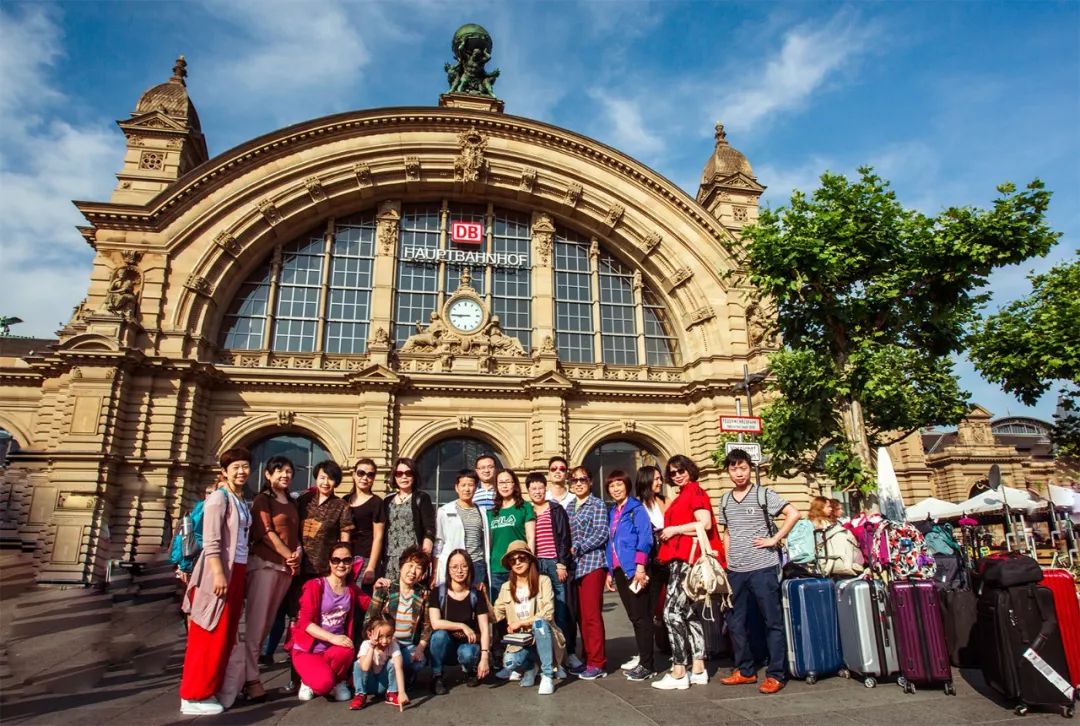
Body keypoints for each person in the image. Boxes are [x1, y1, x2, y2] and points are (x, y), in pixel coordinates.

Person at [717, 448, 801, 695]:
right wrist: (728, 559)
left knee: (771, 621)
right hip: (736, 570)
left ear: (750, 468)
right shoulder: (724, 499)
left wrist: (774, 538)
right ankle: (745, 670)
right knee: (736, 622)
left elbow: (793, 513)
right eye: (734, 468)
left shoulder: (764, 494)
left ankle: (776, 674)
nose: (739, 473)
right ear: (728, 471)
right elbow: (728, 531)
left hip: (763, 567)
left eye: (743, 468)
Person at [220, 455, 300, 708]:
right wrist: (289, 555)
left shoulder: (292, 502)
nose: (284, 475)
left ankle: (246, 676)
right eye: (279, 471)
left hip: (285, 569)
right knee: (256, 626)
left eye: (288, 471)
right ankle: (252, 679)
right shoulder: (262, 500)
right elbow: (266, 533)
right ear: (267, 475)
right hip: (265, 565)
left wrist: (297, 552)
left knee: (265, 626)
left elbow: (294, 533)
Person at [178, 447, 253, 716]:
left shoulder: (240, 499)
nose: (241, 471)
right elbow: (211, 541)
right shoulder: (218, 499)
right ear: (224, 471)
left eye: (245, 466)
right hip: (218, 574)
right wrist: (219, 572)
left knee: (224, 634)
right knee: (208, 632)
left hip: (237, 571)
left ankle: (210, 688)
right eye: (236, 467)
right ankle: (192, 694)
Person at [653, 454, 724, 691]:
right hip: (681, 559)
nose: (677, 475)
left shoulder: (694, 491)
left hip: (687, 560)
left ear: (690, 470)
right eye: (672, 473)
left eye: (681, 470)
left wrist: (673, 530)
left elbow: (704, 524)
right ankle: (699, 667)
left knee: (671, 612)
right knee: (689, 613)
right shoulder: (683, 494)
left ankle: (679, 669)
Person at [291, 542, 367, 703]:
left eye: (346, 560)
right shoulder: (315, 586)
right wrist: (332, 638)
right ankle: (309, 681)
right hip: (309, 649)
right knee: (323, 685)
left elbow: (371, 604)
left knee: (346, 649)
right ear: (329, 562)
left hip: (334, 650)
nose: (341, 564)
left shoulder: (351, 588)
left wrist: (383, 587)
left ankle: (337, 681)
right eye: (336, 560)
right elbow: (305, 623)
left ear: (352, 562)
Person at [603, 470, 656, 681]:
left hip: (635, 570)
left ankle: (648, 664)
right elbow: (610, 544)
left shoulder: (636, 509)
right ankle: (644, 660)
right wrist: (609, 572)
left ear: (627, 486)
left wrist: (641, 567)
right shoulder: (613, 512)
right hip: (619, 570)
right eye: (612, 485)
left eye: (619, 484)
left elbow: (645, 538)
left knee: (642, 617)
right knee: (634, 617)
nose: (616, 489)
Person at [492, 540, 563, 695]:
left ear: (529, 559)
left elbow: (548, 613)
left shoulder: (543, 581)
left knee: (539, 624)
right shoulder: (506, 587)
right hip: (521, 641)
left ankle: (547, 675)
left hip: (543, 637)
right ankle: (530, 668)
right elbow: (495, 615)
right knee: (509, 663)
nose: (517, 563)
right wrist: (482, 598)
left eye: (521, 558)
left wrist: (521, 623)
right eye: (513, 560)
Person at [525, 471, 576, 663]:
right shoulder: (528, 510)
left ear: (545, 488)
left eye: (540, 488)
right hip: (536, 565)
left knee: (561, 608)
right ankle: (543, 655)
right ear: (528, 491)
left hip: (555, 563)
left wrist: (562, 563)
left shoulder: (555, 509)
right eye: (533, 489)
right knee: (539, 609)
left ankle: (566, 653)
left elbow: (564, 537)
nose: (537, 491)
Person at [427, 549, 492, 694]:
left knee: (467, 652)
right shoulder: (438, 592)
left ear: (470, 568)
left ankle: (470, 670)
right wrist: (462, 626)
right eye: (454, 566)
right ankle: (437, 675)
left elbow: (485, 629)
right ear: (448, 569)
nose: (459, 570)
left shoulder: (476, 593)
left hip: (466, 646)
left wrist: (485, 657)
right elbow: (435, 623)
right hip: (447, 646)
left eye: (464, 566)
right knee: (438, 636)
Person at [365, 546, 432, 687]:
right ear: (401, 566)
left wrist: (420, 648)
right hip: (384, 643)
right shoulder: (385, 589)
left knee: (418, 662)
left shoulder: (423, 593)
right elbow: (369, 619)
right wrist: (376, 642)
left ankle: (405, 675)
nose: (413, 571)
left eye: (419, 568)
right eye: (410, 565)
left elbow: (427, 626)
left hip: (407, 645)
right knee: (379, 687)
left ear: (423, 574)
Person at [566, 465, 608, 680]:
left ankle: (597, 662)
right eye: (574, 480)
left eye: (583, 479)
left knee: (592, 615)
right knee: (581, 616)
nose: (579, 483)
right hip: (575, 567)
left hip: (592, 564)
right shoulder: (569, 507)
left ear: (590, 482)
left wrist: (579, 546)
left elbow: (602, 533)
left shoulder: (597, 504)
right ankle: (588, 656)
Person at [378, 457, 435, 584]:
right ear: (394, 477)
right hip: (390, 560)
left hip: (412, 560)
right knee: (390, 598)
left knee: (412, 598)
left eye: (408, 473)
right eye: (399, 474)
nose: (404, 477)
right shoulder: (387, 500)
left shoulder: (422, 498)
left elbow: (429, 530)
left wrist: (423, 561)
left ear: (414, 476)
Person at [435, 470, 491, 589]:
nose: (467, 489)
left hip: (477, 564)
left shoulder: (482, 511)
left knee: (477, 602)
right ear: (456, 487)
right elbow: (439, 543)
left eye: (470, 485)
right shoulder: (445, 511)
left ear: (476, 487)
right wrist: (435, 570)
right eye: (463, 485)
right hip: (455, 565)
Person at [636, 465, 670, 657]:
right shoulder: (636, 504)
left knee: (671, 602)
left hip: (668, 558)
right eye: (656, 478)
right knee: (652, 605)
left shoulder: (666, 501)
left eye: (660, 478)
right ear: (646, 480)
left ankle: (672, 644)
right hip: (649, 561)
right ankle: (656, 645)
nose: (660, 482)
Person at [487, 468, 536, 598]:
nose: (504, 486)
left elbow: (531, 538)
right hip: (496, 568)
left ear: (514, 484)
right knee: (499, 610)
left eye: (508, 482)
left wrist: (530, 563)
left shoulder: (525, 507)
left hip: (519, 565)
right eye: (501, 483)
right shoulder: (491, 513)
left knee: (521, 607)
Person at [350, 616, 409, 711]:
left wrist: (402, 692)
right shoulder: (366, 645)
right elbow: (365, 668)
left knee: (394, 662)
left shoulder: (393, 645)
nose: (385, 641)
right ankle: (360, 695)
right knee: (358, 664)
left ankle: (392, 693)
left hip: (383, 684)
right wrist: (372, 647)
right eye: (380, 636)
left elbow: (398, 668)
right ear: (370, 634)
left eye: (388, 636)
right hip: (369, 684)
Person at [347, 458, 385, 589]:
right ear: (354, 474)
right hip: (344, 559)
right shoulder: (344, 500)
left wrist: (371, 567)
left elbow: (378, 536)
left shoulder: (376, 503)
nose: (365, 478)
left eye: (370, 475)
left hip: (365, 559)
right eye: (361, 473)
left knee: (362, 601)